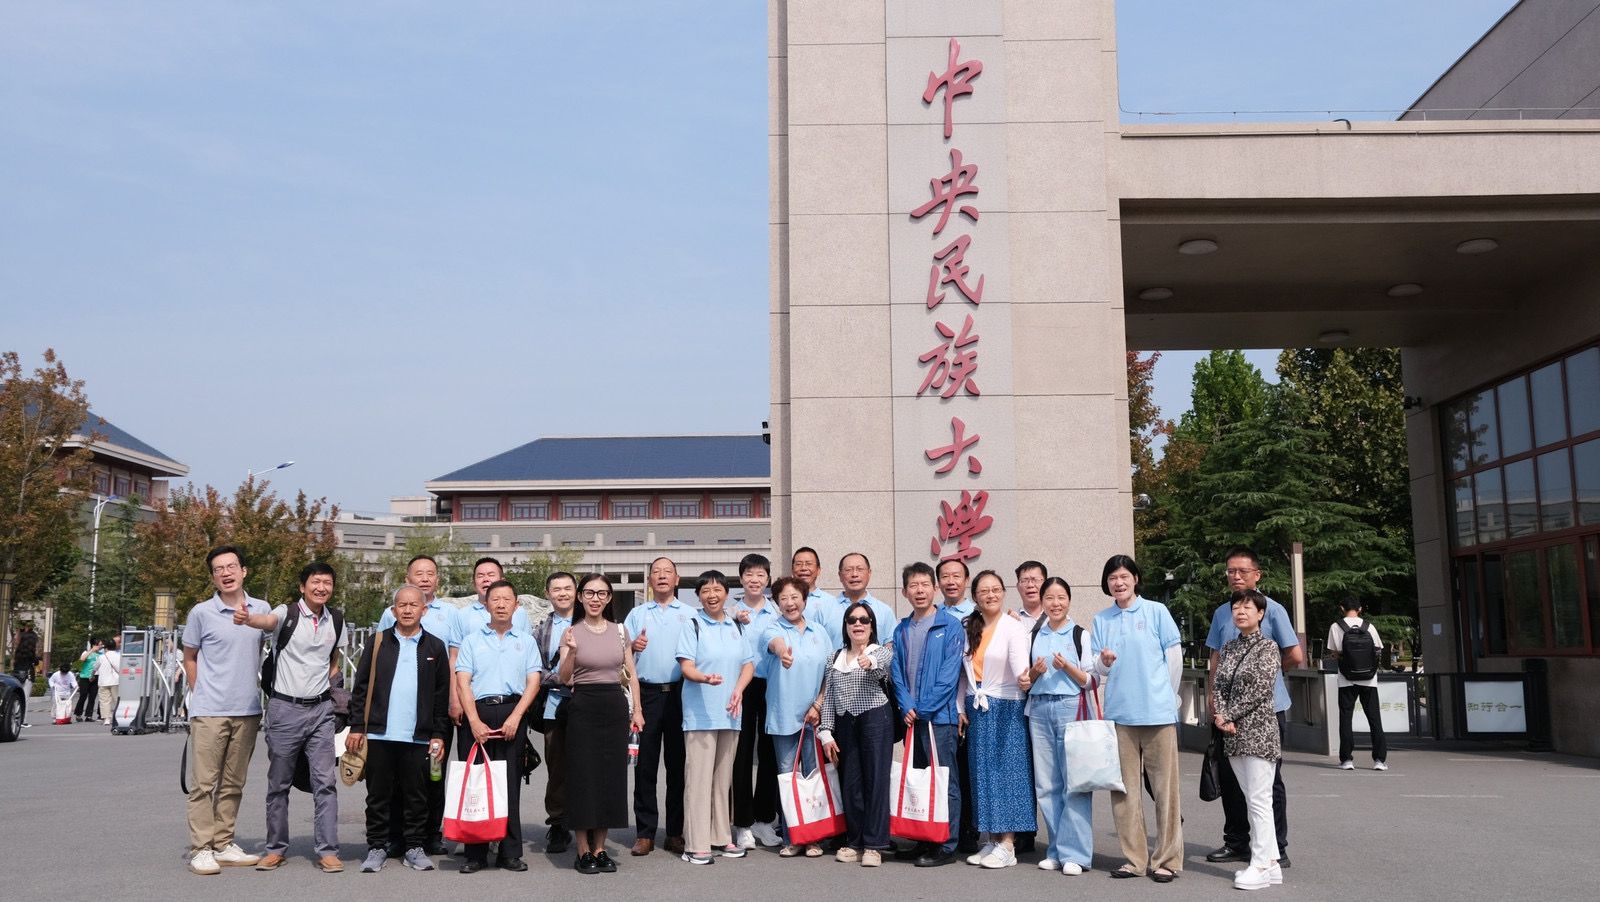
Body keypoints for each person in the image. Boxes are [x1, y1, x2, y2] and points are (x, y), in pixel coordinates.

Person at [235, 562, 346, 872]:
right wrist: (249, 619)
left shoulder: (336, 619)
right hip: (285, 710)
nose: (321, 588)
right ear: (302, 586)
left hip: (321, 711)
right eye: (315, 582)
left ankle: (328, 850)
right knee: (279, 783)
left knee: (325, 783)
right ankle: (275, 848)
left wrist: (330, 689)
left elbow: (334, 661)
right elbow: (267, 620)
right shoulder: (288, 613)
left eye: (327, 582)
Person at [1204, 547, 1301, 869]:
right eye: (1231, 571)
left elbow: (1294, 655)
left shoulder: (1272, 609)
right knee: (1232, 779)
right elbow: (1216, 657)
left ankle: (1276, 848)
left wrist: (1264, 674)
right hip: (1227, 713)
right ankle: (1237, 842)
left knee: (1268, 782)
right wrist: (1214, 699)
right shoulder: (1222, 612)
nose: (1236, 576)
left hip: (1266, 711)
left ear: (1257, 575)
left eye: (1242, 571)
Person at [1090, 554, 1183, 883]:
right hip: (1120, 715)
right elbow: (1097, 670)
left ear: (1135, 579)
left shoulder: (1156, 611)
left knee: (1165, 791)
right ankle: (1134, 859)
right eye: (1112, 577)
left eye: (1124, 576)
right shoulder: (1101, 619)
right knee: (1124, 792)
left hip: (1157, 713)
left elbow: (1174, 658)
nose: (1119, 582)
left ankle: (1167, 859)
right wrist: (1103, 661)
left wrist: (1170, 698)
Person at [348, 585, 450, 873]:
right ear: (393, 610)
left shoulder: (435, 647)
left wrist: (438, 734)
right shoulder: (378, 641)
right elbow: (361, 686)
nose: (407, 610)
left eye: (413, 605)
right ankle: (377, 847)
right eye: (401, 605)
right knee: (378, 796)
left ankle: (414, 846)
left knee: (417, 795)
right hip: (379, 733)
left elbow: (441, 695)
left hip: (418, 736)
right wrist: (357, 726)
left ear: (423, 610)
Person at [182, 545, 270, 874]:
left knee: (233, 782)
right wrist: (200, 692)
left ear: (244, 571)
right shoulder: (201, 613)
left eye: (231, 566)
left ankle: (224, 843)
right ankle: (201, 848)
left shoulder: (261, 609)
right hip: (210, 711)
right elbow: (189, 657)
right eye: (218, 569)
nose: (226, 573)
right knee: (204, 784)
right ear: (213, 578)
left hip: (247, 709)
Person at [454, 578, 542, 873]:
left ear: (516, 605)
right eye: (495, 599)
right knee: (476, 783)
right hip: (478, 712)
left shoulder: (526, 641)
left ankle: (509, 852)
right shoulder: (472, 640)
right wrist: (473, 720)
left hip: (512, 711)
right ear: (486, 605)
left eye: (507, 600)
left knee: (509, 784)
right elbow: (463, 682)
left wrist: (516, 717)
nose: (501, 604)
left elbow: (533, 682)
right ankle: (475, 854)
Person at [558, 573, 644, 875]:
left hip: (614, 705)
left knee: (610, 777)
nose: (595, 599)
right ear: (580, 597)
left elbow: (630, 673)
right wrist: (571, 651)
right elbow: (565, 678)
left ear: (609, 598)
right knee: (584, 777)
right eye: (590, 593)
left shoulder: (620, 631)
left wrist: (637, 711)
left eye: (602, 593)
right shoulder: (571, 632)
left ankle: (600, 848)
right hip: (583, 705)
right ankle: (583, 849)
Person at [377, 554, 458, 857]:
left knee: (434, 772)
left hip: (434, 708)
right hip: (398, 713)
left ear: (438, 579)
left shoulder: (451, 613)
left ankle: (432, 833)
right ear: (407, 578)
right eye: (418, 573)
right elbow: (381, 656)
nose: (425, 578)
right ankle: (397, 835)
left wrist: (453, 700)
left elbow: (454, 659)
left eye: (430, 573)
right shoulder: (391, 613)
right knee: (398, 776)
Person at [675, 570, 756, 864]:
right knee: (698, 781)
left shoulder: (736, 626)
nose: (712, 595)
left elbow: (748, 664)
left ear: (726, 593)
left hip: (731, 714)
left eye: (717, 589)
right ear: (698, 596)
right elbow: (686, 666)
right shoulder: (693, 624)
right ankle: (695, 844)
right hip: (701, 716)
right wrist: (704, 678)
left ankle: (721, 837)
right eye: (705, 590)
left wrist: (738, 690)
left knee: (722, 781)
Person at [890, 561, 966, 868]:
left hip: (940, 719)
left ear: (934, 588)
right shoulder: (901, 629)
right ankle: (924, 837)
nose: (919, 591)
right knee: (919, 781)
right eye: (913, 586)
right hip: (913, 718)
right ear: (905, 592)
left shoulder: (950, 626)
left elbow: (949, 676)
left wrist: (921, 709)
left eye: (924, 584)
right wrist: (905, 705)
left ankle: (946, 844)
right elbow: (896, 672)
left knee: (944, 781)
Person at [959, 571, 1035, 869]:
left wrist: (1025, 678)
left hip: (1006, 705)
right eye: (984, 591)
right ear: (975, 597)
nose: (990, 595)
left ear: (1003, 593)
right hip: (977, 706)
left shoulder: (1013, 627)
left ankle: (1008, 844)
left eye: (995, 590)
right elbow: (963, 675)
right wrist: (960, 708)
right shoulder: (969, 627)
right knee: (982, 773)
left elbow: (1020, 666)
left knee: (1008, 772)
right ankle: (991, 838)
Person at [1213, 590, 1284, 891]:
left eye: (1247, 607)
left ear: (1260, 614)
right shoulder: (1229, 647)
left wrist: (1228, 714)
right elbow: (1218, 684)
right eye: (1236, 607)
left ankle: (1261, 864)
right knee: (1251, 797)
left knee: (1259, 799)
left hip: (1259, 732)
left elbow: (1260, 690)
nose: (1240, 611)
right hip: (1232, 733)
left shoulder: (1268, 647)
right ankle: (1272, 863)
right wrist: (1221, 715)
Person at [759, 575, 833, 857]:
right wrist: (783, 653)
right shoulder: (772, 628)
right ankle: (792, 837)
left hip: (814, 715)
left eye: (795, 597)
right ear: (777, 603)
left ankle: (814, 837)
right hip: (784, 715)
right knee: (788, 777)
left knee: (813, 776)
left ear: (804, 600)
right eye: (783, 599)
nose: (790, 603)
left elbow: (829, 673)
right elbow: (775, 644)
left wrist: (819, 705)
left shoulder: (819, 632)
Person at [622, 556, 692, 856]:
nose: (662, 576)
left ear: (677, 579)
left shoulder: (690, 614)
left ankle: (675, 832)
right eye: (656, 572)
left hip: (681, 694)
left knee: (678, 767)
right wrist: (631, 646)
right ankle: (645, 833)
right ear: (650, 580)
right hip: (646, 696)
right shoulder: (637, 614)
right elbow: (620, 653)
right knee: (645, 767)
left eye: (668, 572)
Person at [1025, 576, 1094, 875]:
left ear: (1069, 600)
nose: (1055, 603)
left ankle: (1075, 854)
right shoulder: (1033, 634)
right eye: (1049, 598)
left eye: (1061, 597)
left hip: (1070, 707)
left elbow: (1091, 680)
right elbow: (1025, 681)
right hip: (1039, 708)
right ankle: (1056, 849)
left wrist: (1067, 667)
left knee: (1074, 783)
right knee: (1046, 784)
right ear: (1042, 602)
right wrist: (1034, 672)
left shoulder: (1080, 634)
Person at [818, 601, 895, 867]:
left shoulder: (878, 651)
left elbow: (882, 662)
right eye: (852, 620)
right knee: (851, 783)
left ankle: (874, 844)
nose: (858, 624)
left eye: (864, 620)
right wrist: (826, 731)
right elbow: (829, 697)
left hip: (875, 719)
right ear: (846, 626)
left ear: (872, 626)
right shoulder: (834, 658)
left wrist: (869, 660)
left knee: (876, 781)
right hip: (845, 723)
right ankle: (854, 841)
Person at [729, 553, 781, 849]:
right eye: (749, 574)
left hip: (772, 685)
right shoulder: (730, 612)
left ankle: (764, 819)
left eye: (760, 574)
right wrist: (734, 621)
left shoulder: (777, 612)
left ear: (768, 579)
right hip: (742, 686)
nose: (754, 579)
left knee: (769, 751)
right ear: (741, 578)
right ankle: (743, 823)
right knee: (742, 753)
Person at [532, 571, 577, 854]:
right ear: (548, 594)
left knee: (588, 766)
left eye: (567, 588)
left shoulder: (590, 622)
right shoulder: (541, 629)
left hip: (589, 704)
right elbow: (534, 669)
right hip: (554, 705)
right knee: (557, 768)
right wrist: (562, 679)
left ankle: (588, 821)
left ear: (576, 591)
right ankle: (558, 824)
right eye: (556, 589)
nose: (562, 593)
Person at [936, 558, 978, 854]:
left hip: (971, 701)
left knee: (967, 768)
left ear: (966, 580)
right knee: (945, 771)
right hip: (942, 706)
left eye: (956, 576)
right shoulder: (934, 615)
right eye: (945, 577)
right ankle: (940, 829)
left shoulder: (978, 615)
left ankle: (968, 830)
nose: (951, 581)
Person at [1327, 597, 1388, 771]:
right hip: (1369, 679)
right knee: (1374, 718)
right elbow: (1378, 649)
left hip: (1346, 679)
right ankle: (1379, 760)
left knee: (1346, 719)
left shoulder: (1336, 626)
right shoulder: (1369, 626)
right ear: (1360, 609)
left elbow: (1334, 652)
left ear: (1342, 608)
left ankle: (1347, 759)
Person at [791, 546, 835, 615]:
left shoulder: (830, 602)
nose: (803, 568)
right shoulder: (782, 601)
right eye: (798, 564)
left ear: (818, 570)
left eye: (809, 564)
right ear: (792, 570)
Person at [94, 636, 121, 724]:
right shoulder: (119, 656)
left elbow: (95, 668)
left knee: (104, 701)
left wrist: (91, 675)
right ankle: (119, 717)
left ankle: (107, 719)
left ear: (106, 647)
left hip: (103, 681)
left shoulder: (101, 657)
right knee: (117, 700)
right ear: (115, 646)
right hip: (116, 681)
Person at [1012, 561, 1048, 626]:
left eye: (1036, 580)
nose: (1030, 585)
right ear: (1018, 587)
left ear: (1046, 585)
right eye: (1024, 581)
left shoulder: (1058, 619)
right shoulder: (1011, 620)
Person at [75, 640, 102, 722]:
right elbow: (82, 659)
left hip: (96, 677)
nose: (101, 646)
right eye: (99, 645)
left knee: (92, 697)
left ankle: (89, 716)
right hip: (85, 677)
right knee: (83, 695)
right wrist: (91, 651)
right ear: (94, 645)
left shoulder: (101, 654)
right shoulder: (86, 652)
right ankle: (78, 714)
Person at [12, 622, 39, 690]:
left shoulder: (18, 652)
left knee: (17, 695)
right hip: (28, 676)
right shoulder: (31, 653)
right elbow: (36, 662)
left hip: (16, 676)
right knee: (25, 695)